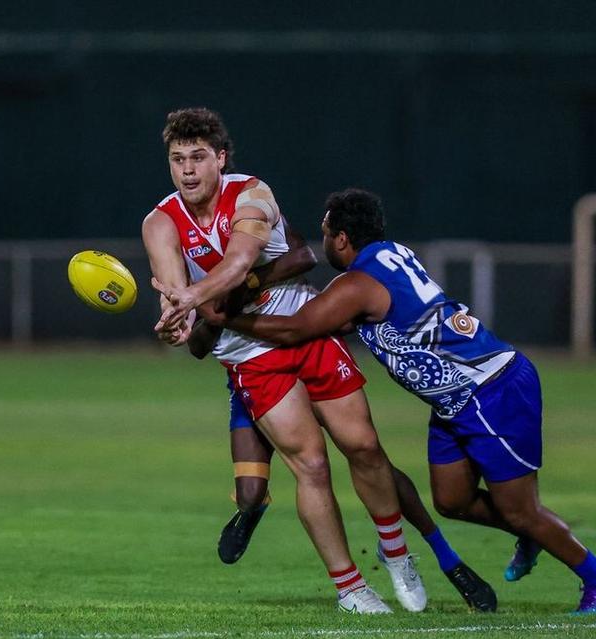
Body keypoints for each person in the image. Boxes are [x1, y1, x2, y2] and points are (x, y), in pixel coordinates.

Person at [189, 187, 596, 613]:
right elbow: (377, 318)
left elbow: (296, 330)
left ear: (342, 239)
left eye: (327, 232)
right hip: (454, 401)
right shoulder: (389, 255)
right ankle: (534, 533)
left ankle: (588, 575)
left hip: (490, 389)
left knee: (521, 509)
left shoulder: (357, 284)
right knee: (452, 500)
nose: (323, 240)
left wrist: (226, 318)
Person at [143, 107, 425, 614]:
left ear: (220, 159)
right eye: (177, 159)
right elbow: (177, 303)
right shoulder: (160, 223)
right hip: (250, 357)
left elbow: (239, 263)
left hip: (305, 330)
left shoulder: (253, 194)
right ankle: (350, 588)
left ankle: (397, 552)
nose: (187, 170)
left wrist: (192, 298)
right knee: (311, 465)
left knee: (363, 448)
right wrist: (175, 323)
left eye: (198, 158)